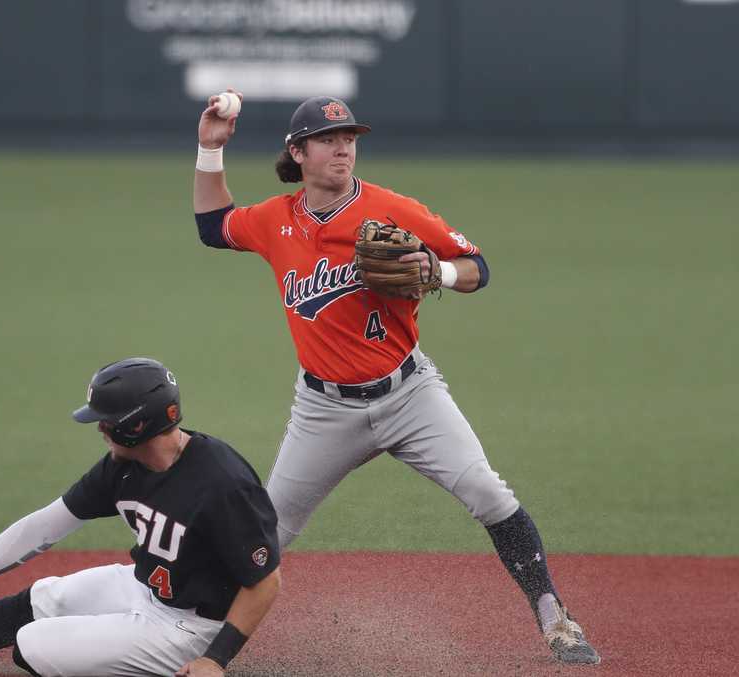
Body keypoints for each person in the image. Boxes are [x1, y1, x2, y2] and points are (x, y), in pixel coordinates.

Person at [190, 93, 600, 665]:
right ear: (298, 152)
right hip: (324, 410)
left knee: (486, 491)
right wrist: (210, 148)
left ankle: (555, 615)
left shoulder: (394, 209)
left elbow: (477, 267)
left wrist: (441, 270)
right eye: (329, 139)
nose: (343, 148)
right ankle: (188, 634)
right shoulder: (274, 221)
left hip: (409, 393)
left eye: (350, 138)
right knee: (269, 534)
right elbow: (213, 227)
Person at [0, 357, 281, 676]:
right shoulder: (123, 467)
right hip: (147, 591)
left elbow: (265, 582)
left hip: (192, 628)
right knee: (45, 597)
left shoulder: (222, 482)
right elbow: (46, 524)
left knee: (33, 648)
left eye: (105, 421)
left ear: (135, 426)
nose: (98, 428)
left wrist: (214, 659)